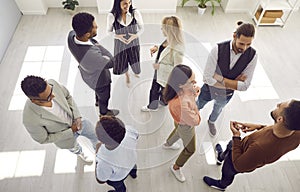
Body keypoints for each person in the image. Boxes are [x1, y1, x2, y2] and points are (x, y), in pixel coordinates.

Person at [203, 99, 300, 191]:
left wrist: (236, 136)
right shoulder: (296, 132)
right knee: (230, 146)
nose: (278, 104)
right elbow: (277, 131)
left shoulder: (260, 148)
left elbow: (238, 165)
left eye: (280, 106)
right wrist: (259, 127)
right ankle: (220, 157)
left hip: (237, 159)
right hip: (242, 146)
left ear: (280, 119)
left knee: (228, 171)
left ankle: (222, 185)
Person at [196, 22, 258, 137]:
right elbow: (207, 78)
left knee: (218, 110)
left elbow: (245, 86)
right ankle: (191, 118)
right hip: (208, 90)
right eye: (241, 43)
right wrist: (234, 82)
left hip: (226, 95)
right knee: (198, 105)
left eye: (248, 44)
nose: (244, 48)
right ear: (234, 36)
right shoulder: (217, 49)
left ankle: (211, 122)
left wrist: (218, 77)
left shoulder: (253, 55)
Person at [21, 75, 99, 163]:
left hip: (80, 122)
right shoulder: (29, 119)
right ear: (34, 101)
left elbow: (68, 96)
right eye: (48, 97)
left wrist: (77, 116)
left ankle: (99, 154)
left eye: (51, 90)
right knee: (75, 148)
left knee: (95, 136)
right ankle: (80, 153)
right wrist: (71, 131)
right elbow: (44, 139)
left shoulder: (52, 83)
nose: (53, 95)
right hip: (65, 139)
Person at [68, 12, 119, 117]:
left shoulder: (71, 36)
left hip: (87, 74)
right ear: (87, 34)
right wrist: (99, 47)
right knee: (104, 97)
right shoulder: (91, 55)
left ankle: (97, 101)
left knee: (98, 93)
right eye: (95, 27)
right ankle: (104, 113)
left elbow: (95, 45)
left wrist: (96, 45)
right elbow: (113, 61)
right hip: (100, 81)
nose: (97, 27)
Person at [162, 65, 201, 182]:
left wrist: (192, 93)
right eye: (192, 82)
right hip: (186, 126)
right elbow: (195, 121)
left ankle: (168, 144)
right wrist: (194, 103)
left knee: (178, 130)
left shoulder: (174, 92)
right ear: (180, 85)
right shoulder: (181, 104)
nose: (195, 83)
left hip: (178, 121)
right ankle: (176, 167)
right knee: (190, 149)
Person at [141, 16, 185, 112]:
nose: (161, 29)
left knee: (157, 90)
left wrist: (159, 66)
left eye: (163, 28)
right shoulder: (169, 39)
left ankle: (153, 107)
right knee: (159, 89)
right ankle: (160, 103)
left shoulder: (178, 49)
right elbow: (165, 50)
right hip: (160, 71)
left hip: (166, 75)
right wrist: (157, 48)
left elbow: (177, 69)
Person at [95, 116, 138, 192]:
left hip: (119, 177)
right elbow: (137, 135)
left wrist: (96, 155)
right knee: (133, 168)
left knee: (120, 187)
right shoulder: (129, 131)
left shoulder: (103, 160)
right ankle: (134, 174)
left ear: (101, 140)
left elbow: (100, 180)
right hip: (132, 162)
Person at [107, 0, 144, 86]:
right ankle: (127, 75)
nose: (127, 6)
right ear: (118, 3)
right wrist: (118, 36)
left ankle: (136, 73)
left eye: (129, 3)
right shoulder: (112, 16)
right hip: (120, 44)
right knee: (122, 61)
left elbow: (142, 29)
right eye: (124, 3)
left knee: (135, 59)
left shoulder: (135, 13)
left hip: (133, 42)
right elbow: (108, 32)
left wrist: (135, 36)